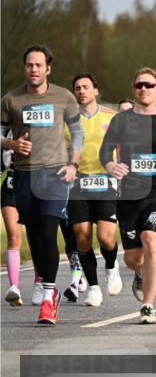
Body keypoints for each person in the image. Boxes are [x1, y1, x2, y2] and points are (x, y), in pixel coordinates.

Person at [0, 46, 83, 325]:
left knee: (49, 233)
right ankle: (49, 288)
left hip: (55, 174)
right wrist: (10, 143)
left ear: (48, 68)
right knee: (36, 239)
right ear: (24, 68)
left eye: (38, 65)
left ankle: (48, 298)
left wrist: (73, 164)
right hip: (24, 176)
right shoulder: (11, 99)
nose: (33, 69)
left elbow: (78, 132)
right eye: (29, 65)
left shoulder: (64, 96)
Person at [100, 67, 156, 324]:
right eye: (139, 85)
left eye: (149, 85)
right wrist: (111, 166)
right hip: (128, 195)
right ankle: (139, 271)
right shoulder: (121, 120)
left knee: (151, 240)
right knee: (132, 257)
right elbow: (105, 153)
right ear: (134, 89)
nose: (144, 89)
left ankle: (148, 306)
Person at [65, 73, 122, 306]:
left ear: (96, 91)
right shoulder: (68, 121)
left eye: (86, 87)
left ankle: (111, 265)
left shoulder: (113, 116)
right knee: (83, 237)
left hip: (106, 180)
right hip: (78, 182)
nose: (81, 91)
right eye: (77, 87)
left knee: (106, 238)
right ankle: (94, 288)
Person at [2, 145, 24, 307]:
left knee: (37, 237)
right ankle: (14, 288)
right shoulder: (6, 131)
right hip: (11, 187)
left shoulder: (42, 127)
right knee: (13, 236)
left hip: (37, 187)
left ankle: (40, 284)